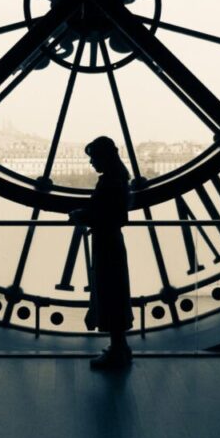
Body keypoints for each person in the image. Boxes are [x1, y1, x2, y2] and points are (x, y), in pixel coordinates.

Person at [69, 136, 134, 370]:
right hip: (112, 241)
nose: (91, 163)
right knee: (115, 294)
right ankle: (119, 347)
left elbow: (102, 213)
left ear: (103, 158)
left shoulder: (108, 182)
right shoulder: (118, 180)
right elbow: (114, 215)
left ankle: (117, 349)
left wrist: (80, 216)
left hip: (105, 243)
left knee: (108, 294)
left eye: (93, 157)